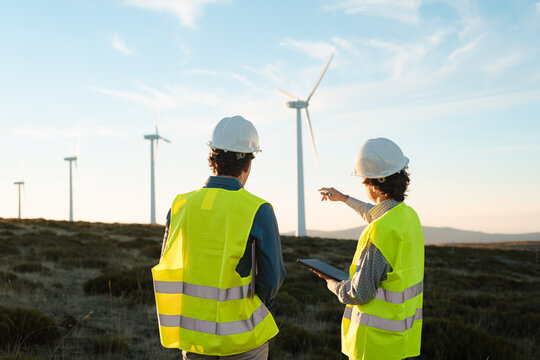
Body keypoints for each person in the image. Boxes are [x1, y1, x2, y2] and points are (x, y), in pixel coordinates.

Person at [152, 115, 286, 360]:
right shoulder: (259, 210)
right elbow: (271, 279)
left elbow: (169, 266)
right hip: (243, 341)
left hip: (194, 341)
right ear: (248, 162)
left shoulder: (180, 206)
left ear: (211, 158)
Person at [316, 137, 424, 360]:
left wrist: (333, 284)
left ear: (372, 184)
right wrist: (344, 199)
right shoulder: (408, 217)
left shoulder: (380, 232)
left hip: (373, 345)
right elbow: (377, 213)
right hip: (401, 340)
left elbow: (358, 293)